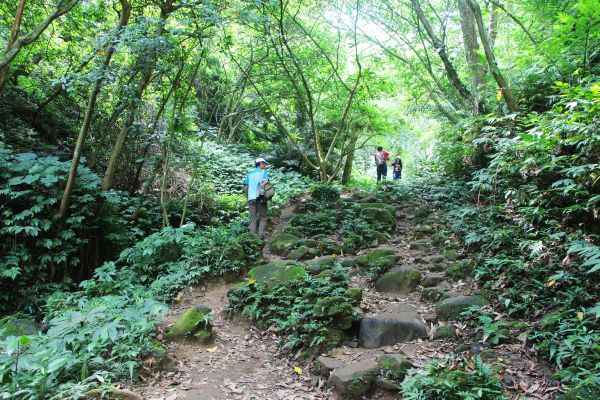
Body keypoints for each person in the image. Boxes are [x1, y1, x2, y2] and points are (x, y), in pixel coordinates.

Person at [244, 157, 269, 239]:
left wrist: (247, 197)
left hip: (251, 198)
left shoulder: (250, 173)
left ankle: (253, 238)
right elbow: (266, 185)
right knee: (263, 217)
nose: (265, 165)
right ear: (260, 164)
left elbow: (246, 187)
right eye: (264, 163)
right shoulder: (263, 172)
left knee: (253, 218)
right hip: (260, 197)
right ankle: (261, 236)